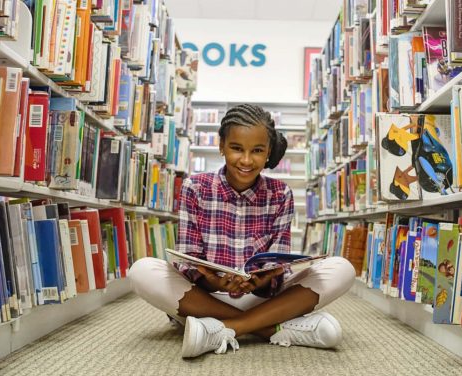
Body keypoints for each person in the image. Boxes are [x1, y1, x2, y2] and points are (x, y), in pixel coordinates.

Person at [129, 104, 355, 358]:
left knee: (342, 268)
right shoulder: (195, 187)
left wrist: (265, 277)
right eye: (237, 148)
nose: (246, 160)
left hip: (263, 298)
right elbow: (186, 258)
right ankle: (272, 327)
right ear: (221, 145)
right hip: (206, 297)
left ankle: (225, 327)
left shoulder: (281, 194)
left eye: (257, 151)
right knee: (142, 270)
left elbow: (279, 261)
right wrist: (212, 279)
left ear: (268, 152)